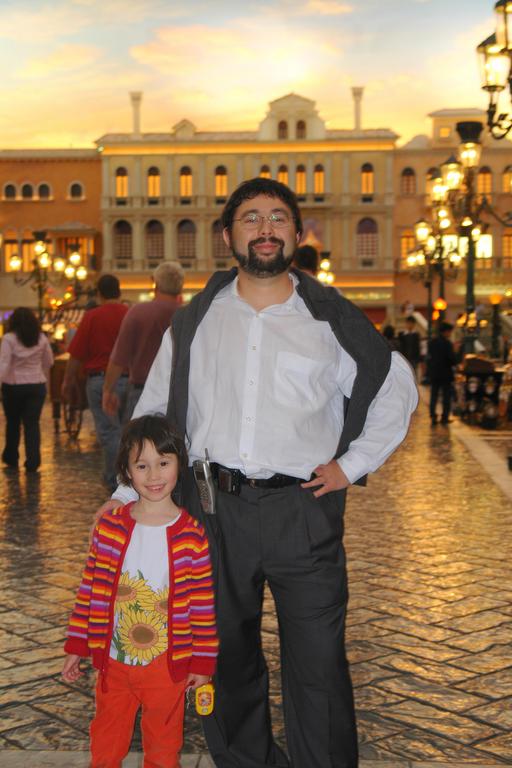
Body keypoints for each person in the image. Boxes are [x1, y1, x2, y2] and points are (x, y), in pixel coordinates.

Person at [99, 178, 418, 768]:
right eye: (251, 218)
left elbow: (393, 385)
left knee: (319, 663)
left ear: (295, 233)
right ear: (228, 236)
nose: (265, 228)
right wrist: (127, 492)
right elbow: (155, 412)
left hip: (304, 512)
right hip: (212, 513)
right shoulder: (195, 322)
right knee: (221, 657)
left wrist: (351, 465)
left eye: (278, 217)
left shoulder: (330, 319)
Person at [63, 414, 218, 768]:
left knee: (163, 749)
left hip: (167, 667)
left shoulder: (191, 537)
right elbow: (89, 589)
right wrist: (77, 645)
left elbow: (202, 608)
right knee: (105, 744)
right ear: (127, 472)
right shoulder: (110, 528)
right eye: (142, 465)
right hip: (114, 663)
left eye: (163, 463)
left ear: (179, 464)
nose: (153, 476)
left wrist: (203, 663)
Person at [61, 274, 129, 491]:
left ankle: (114, 478)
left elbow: (76, 354)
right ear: (119, 291)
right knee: (126, 431)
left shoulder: (92, 317)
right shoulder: (129, 314)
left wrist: (67, 380)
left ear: (99, 294)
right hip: (128, 380)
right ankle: (128, 476)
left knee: (109, 432)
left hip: (99, 380)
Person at [102, 261, 184, 422]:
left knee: (139, 437)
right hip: (179, 394)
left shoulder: (138, 312)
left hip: (143, 391)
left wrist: (108, 390)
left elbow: (119, 358)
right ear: (181, 286)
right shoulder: (188, 315)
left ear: (155, 283)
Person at [0, 307, 53, 472]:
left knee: (13, 422)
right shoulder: (41, 338)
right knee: (32, 424)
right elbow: (49, 361)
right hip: (36, 385)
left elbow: (4, 364)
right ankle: (33, 460)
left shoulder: (8, 339)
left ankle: (11, 456)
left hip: (13, 386)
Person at [429, 321, 457, 425]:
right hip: (446, 374)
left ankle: (433, 416)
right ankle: (444, 417)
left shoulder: (432, 343)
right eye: (449, 332)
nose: (450, 334)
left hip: (435, 373)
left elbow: (430, 357)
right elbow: (452, 359)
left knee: (434, 396)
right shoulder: (448, 344)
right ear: (445, 332)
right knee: (446, 397)